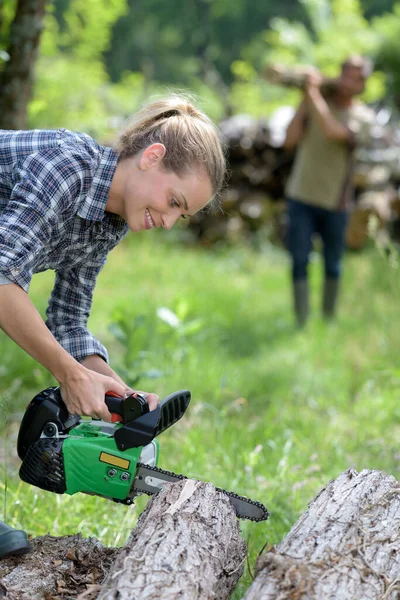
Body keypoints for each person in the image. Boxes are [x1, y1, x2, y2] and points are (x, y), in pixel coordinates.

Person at [0, 94, 226, 557]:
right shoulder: (67, 168)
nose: (166, 222)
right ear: (152, 156)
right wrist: (70, 374)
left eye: (179, 216)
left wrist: (117, 392)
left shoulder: (109, 222)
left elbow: (67, 320)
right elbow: (2, 277)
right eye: (173, 202)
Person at [283, 56, 375, 326]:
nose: (347, 81)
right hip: (300, 195)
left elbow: (333, 131)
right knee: (299, 260)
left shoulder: (363, 117)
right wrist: (305, 98)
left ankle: (328, 320)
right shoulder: (315, 103)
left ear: (363, 84)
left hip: (336, 202)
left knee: (332, 264)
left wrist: (312, 93)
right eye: (344, 74)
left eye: (355, 77)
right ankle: (301, 321)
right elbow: (288, 140)